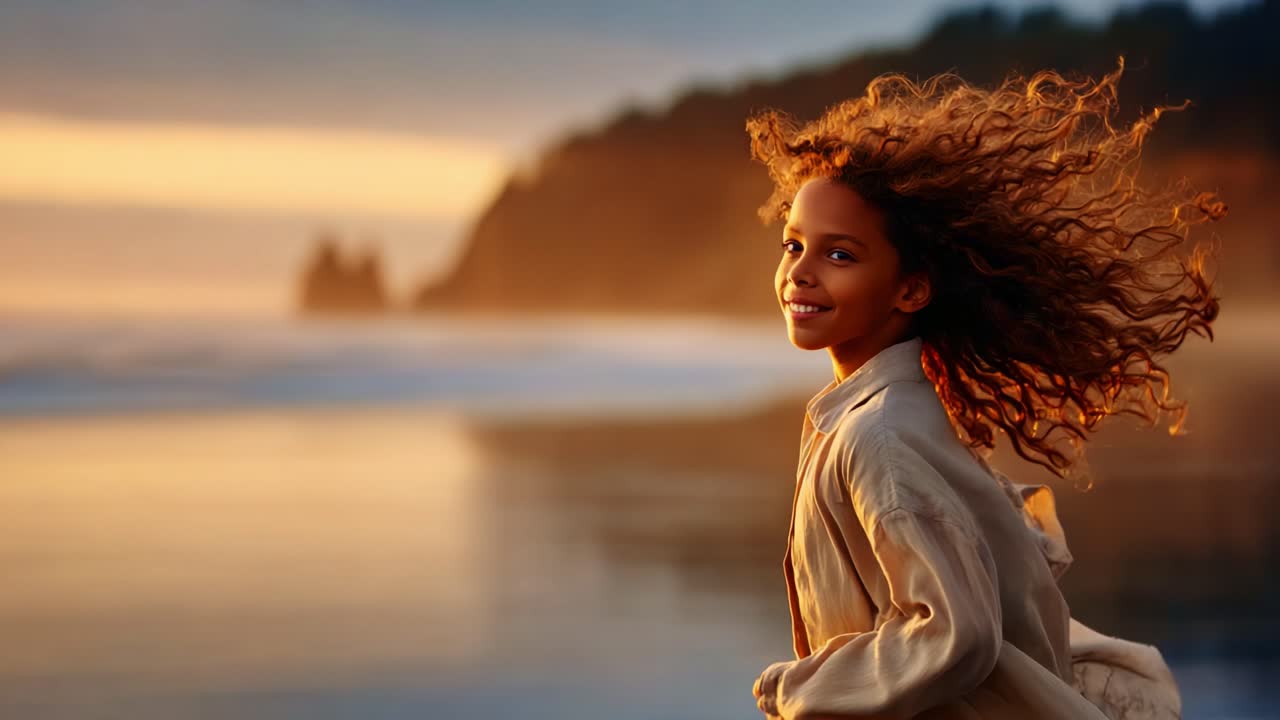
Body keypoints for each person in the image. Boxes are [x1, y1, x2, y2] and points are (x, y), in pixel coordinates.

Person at [745, 57, 1223, 720]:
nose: (799, 272)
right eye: (793, 244)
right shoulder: (880, 413)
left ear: (911, 288)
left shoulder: (877, 436)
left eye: (840, 254)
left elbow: (956, 635)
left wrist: (795, 689)